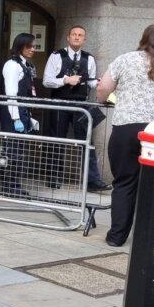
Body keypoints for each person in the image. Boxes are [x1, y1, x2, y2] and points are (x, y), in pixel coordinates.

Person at [96, 24, 154, 247]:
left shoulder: (125, 60)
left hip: (128, 128)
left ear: (143, 39)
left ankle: (117, 236)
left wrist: (107, 100)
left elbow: (103, 89)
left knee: (124, 182)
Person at [43, 25, 110, 192]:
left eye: (80, 35)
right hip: (59, 103)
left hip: (81, 105)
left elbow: (90, 81)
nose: (77, 37)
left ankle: (92, 181)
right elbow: (46, 80)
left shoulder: (89, 58)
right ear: (68, 37)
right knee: (57, 140)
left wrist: (99, 83)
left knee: (87, 142)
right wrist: (66, 80)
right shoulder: (56, 56)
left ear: (84, 39)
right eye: (74, 34)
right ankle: (53, 177)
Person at [0, 32, 41, 196]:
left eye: (34, 46)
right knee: (12, 151)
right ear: (20, 46)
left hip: (22, 112)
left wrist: (27, 116)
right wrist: (16, 118)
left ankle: (13, 185)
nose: (32, 49)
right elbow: (11, 94)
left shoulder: (25, 65)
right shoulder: (12, 65)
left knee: (18, 151)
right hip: (12, 113)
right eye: (28, 46)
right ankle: (9, 186)